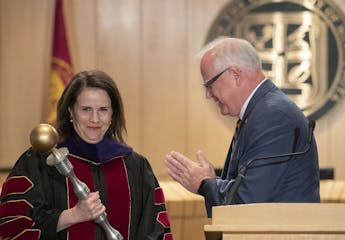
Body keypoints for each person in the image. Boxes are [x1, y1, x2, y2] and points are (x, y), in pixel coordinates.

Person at [0, 70, 173, 240]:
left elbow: (155, 230)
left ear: (113, 114)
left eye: (103, 110)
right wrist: (73, 215)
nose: (95, 119)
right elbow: (13, 225)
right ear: (70, 111)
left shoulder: (135, 166)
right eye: (86, 109)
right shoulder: (40, 162)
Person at [165, 37, 320, 217]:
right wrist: (211, 182)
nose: (208, 94)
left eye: (209, 84)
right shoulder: (261, 111)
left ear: (235, 74)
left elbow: (249, 202)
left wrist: (205, 183)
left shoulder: (272, 115)